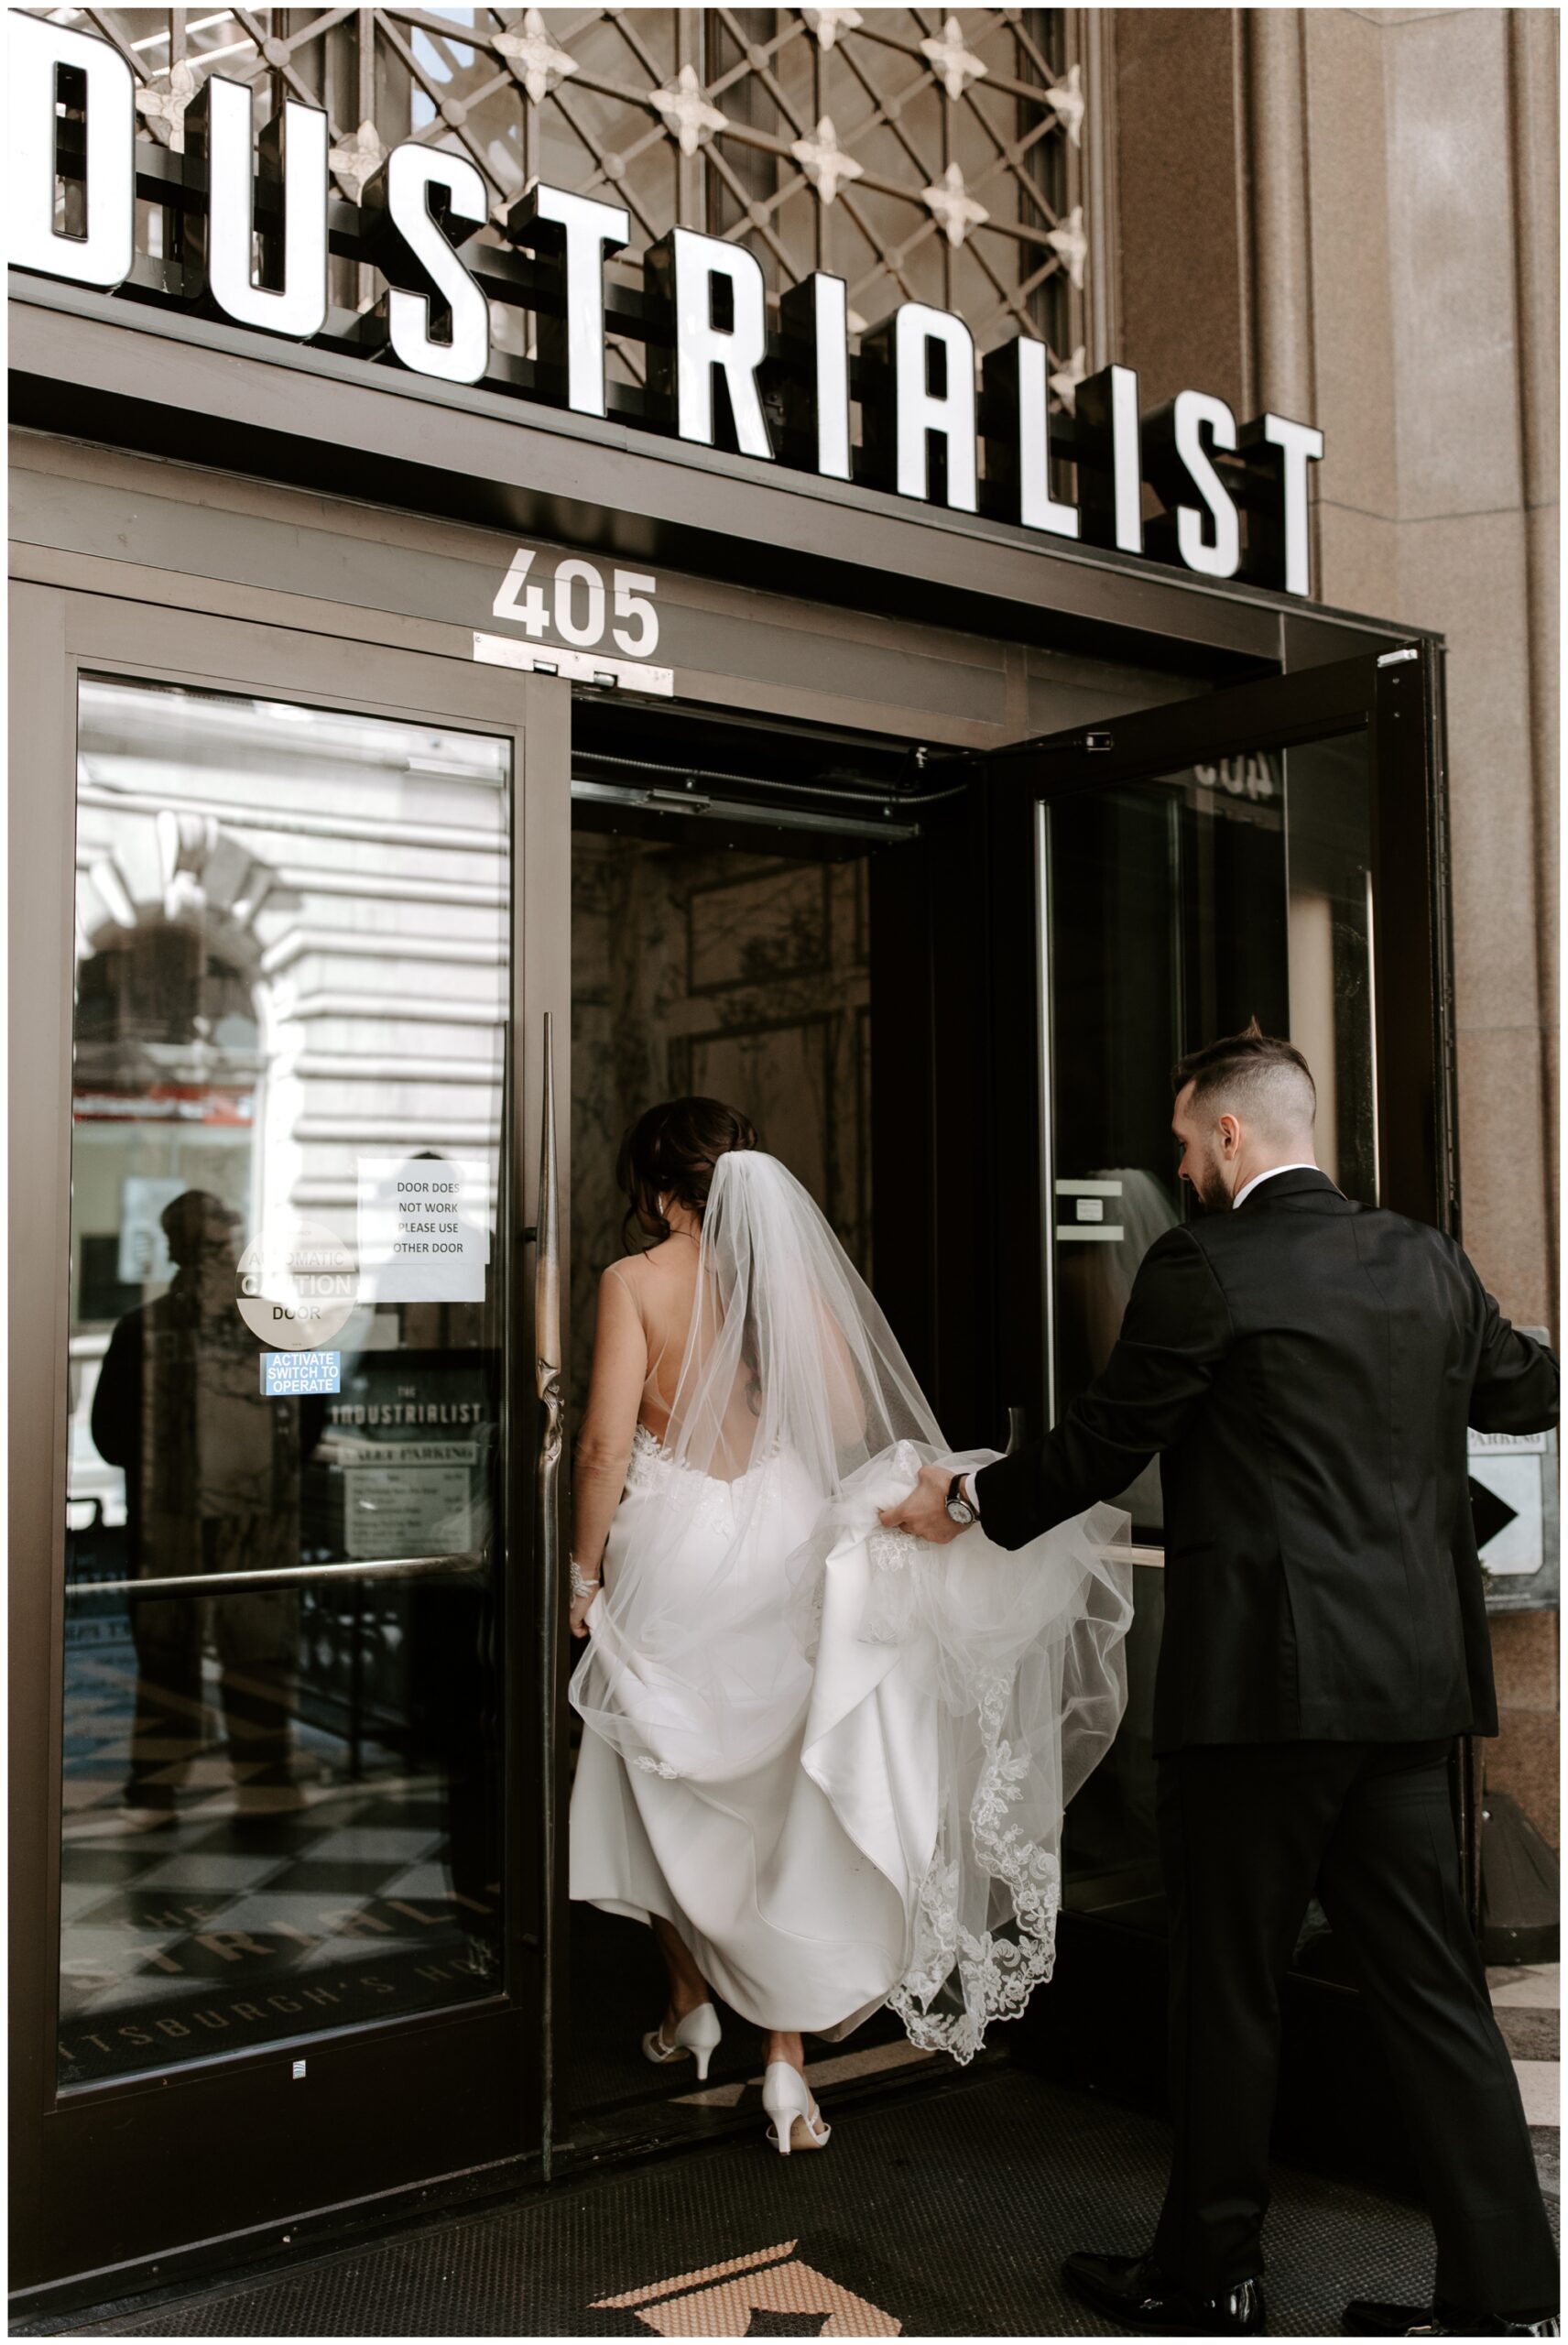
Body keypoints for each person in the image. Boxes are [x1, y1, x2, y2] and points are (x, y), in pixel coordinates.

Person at [888, 1021, 1560, 2340]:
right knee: (1435, 1998)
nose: (1181, 1161)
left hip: (1263, 1699)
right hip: (1415, 1694)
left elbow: (1100, 1445)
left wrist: (960, 1497)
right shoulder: (1424, 1259)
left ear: (1233, 1134)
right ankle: (1505, 2299)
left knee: (1230, 1991)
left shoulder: (1205, 1265)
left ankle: (1211, 2278)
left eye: (1188, 1139)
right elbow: (1527, 1391)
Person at [567, 1098, 1133, 2154]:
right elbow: (840, 1422)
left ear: (657, 1194)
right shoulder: (780, 1283)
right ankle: (783, 2060)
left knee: (656, 1775)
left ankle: (686, 1998)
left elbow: (603, 1450)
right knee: (784, 1797)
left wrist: (580, 1569)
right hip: (781, 1533)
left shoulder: (633, 1282)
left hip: (676, 1548)